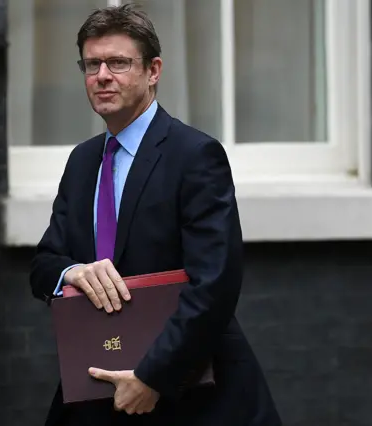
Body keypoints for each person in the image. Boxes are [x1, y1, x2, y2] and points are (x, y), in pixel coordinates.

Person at [30, 4, 282, 426]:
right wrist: (72, 271)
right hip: (97, 389)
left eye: (118, 62)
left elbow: (215, 284)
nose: (103, 76)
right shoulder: (82, 161)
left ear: (153, 71)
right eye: (92, 65)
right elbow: (43, 265)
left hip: (190, 396)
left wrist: (153, 377)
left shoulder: (195, 155)